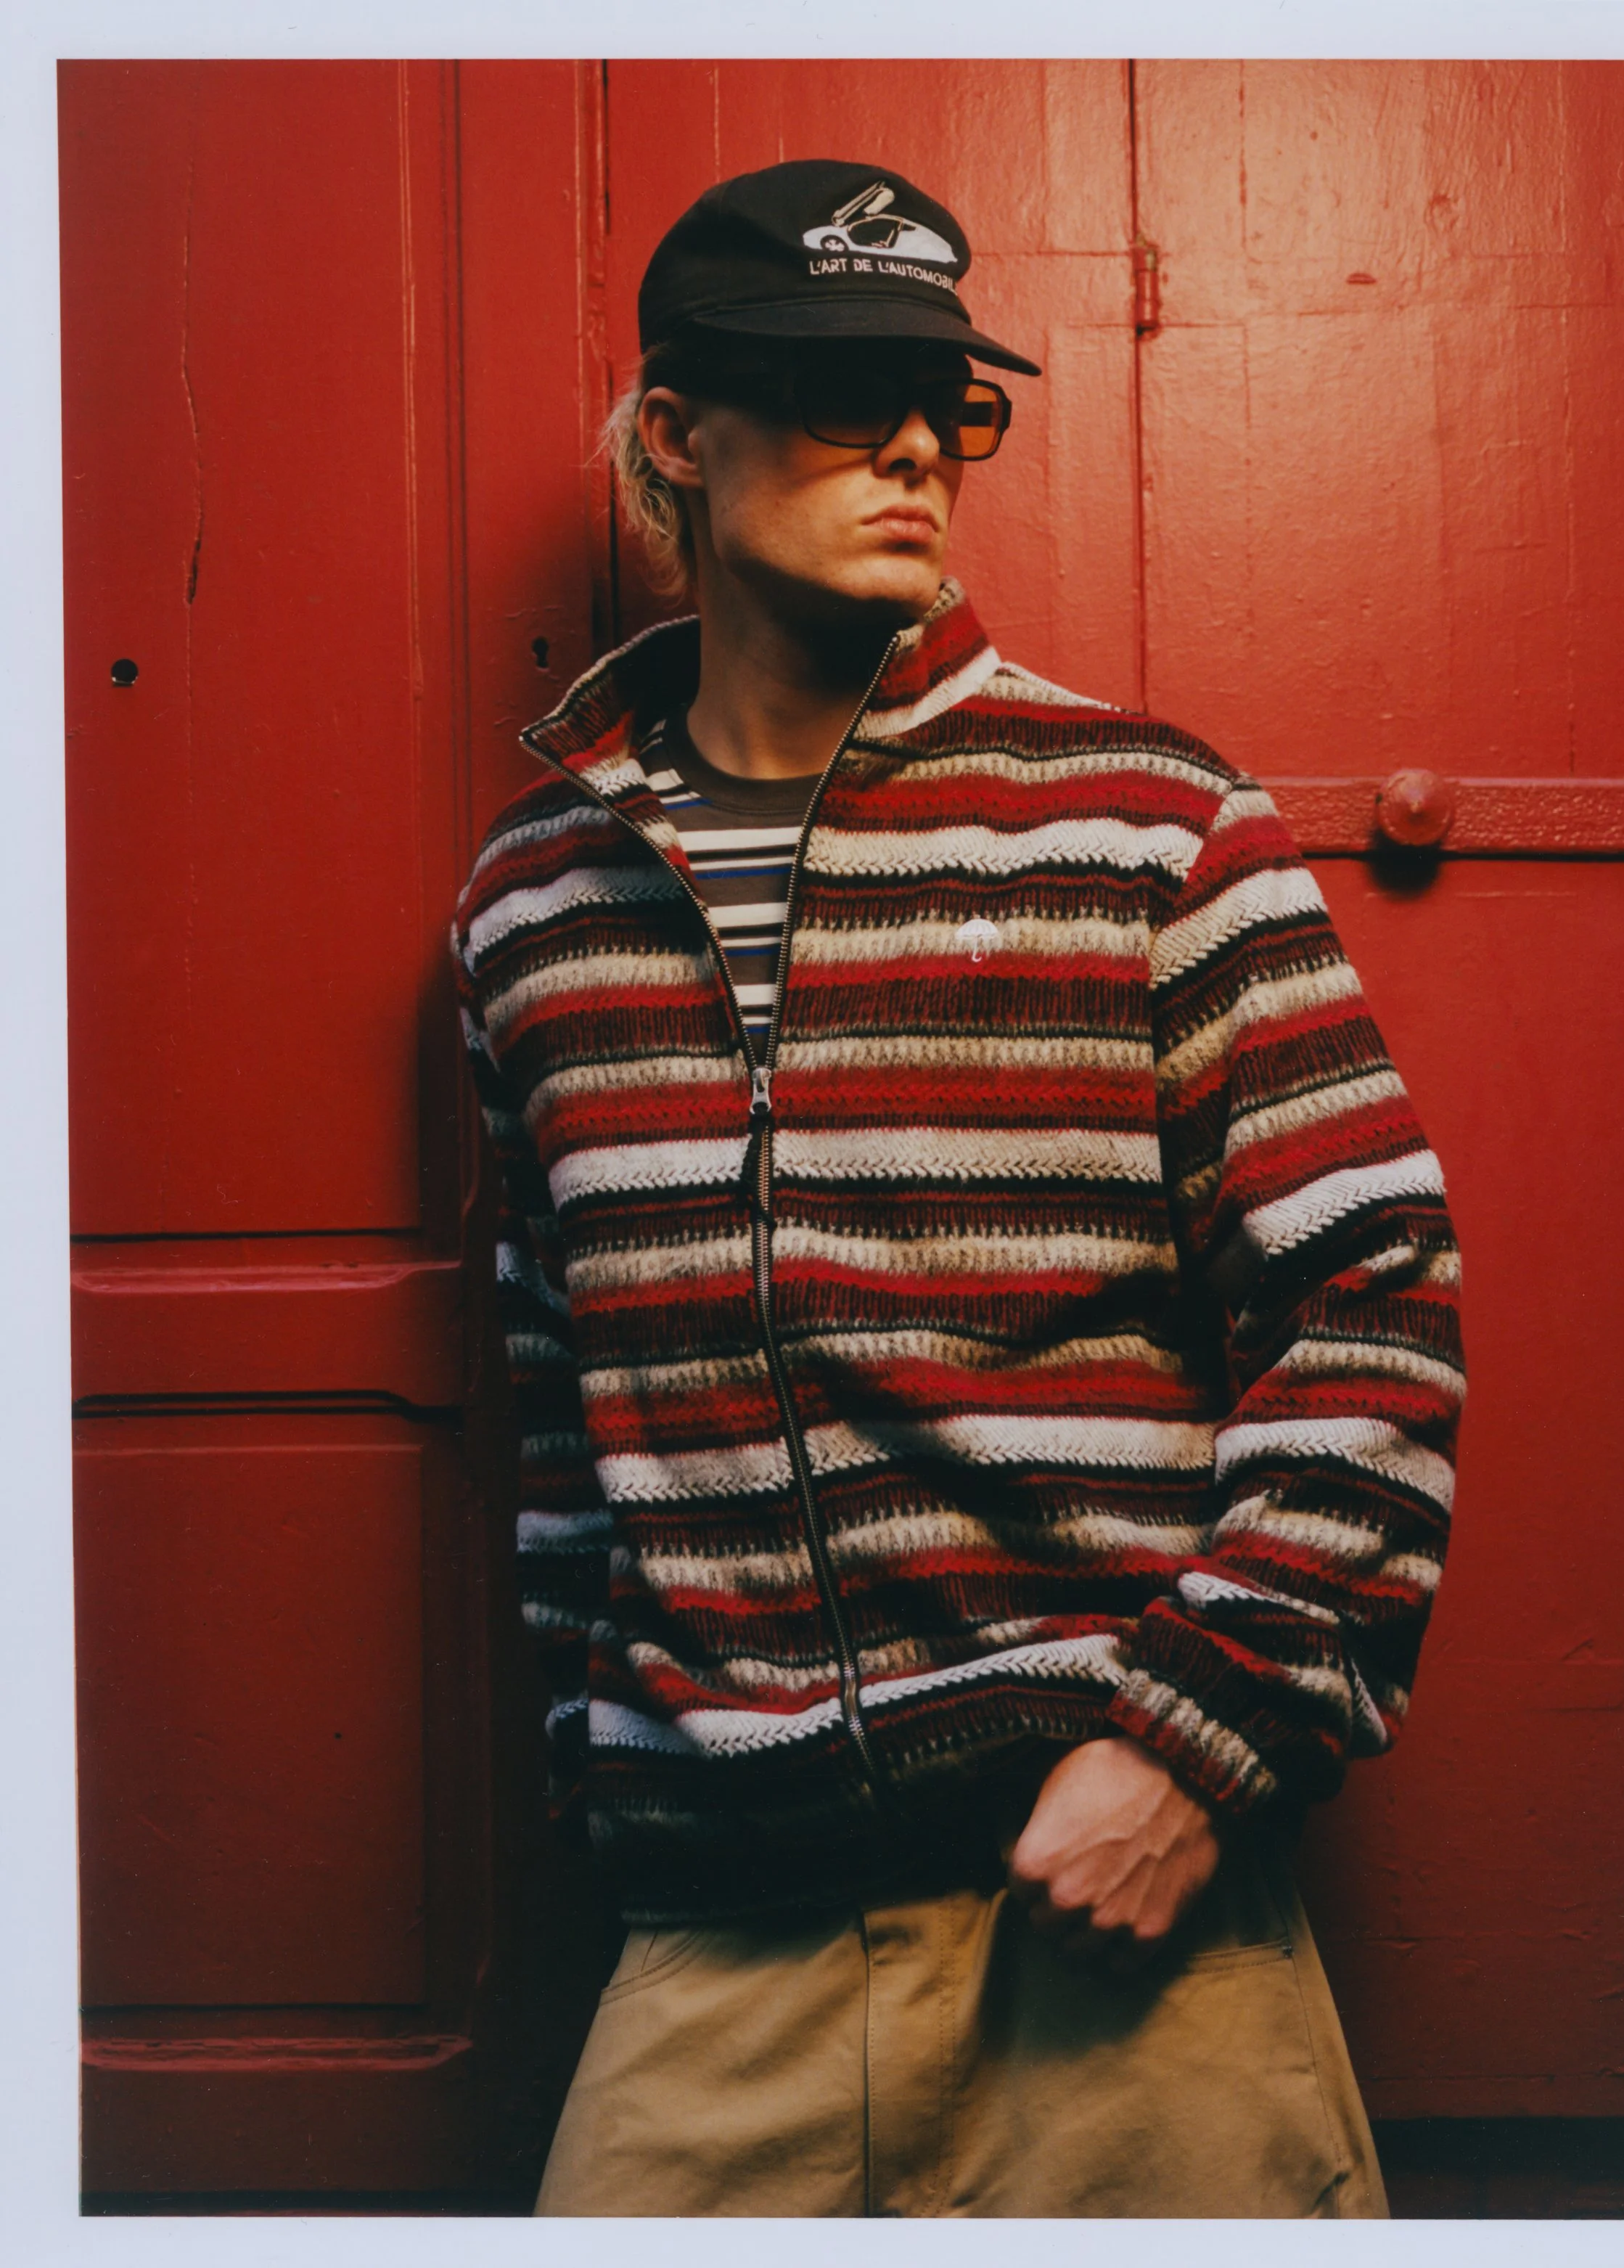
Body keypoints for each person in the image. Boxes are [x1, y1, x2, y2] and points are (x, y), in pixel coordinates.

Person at [451, 158, 1464, 2219]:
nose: (917, 440)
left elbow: (1370, 1298)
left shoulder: (1148, 824)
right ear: (677, 434)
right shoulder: (532, 908)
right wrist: (608, 1770)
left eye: (945, 395)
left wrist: (1194, 1744)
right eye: (842, 392)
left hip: (1129, 1924)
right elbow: (563, 1399)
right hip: (715, 1937)